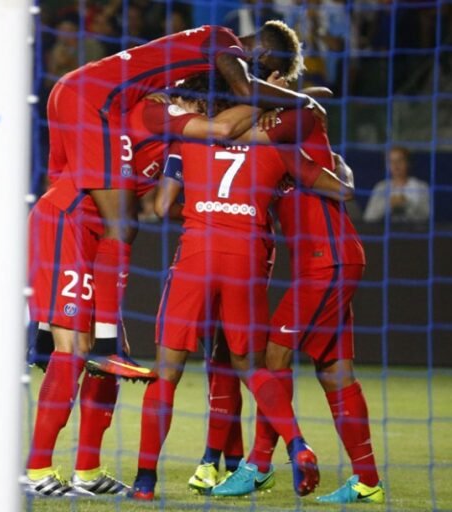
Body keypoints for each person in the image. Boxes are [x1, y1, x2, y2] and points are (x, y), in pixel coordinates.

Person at [23, 20, 320, 498]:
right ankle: (37, 473)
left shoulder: (182, 129)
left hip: (97, 241)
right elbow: (228, 123)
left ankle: (86, 472)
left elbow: (231, 127)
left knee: (105, 367)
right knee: (75, 350)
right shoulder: (157, 110)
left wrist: (288, 101)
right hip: (69, 222)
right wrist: (296, 98)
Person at [130, 110, 350, 501]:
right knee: (250, 366)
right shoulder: (276, 145)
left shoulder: (191, 136)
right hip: (247, 256)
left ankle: (145, 483)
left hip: (198, 252)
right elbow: (340, 189)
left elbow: (162, 206)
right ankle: (297, 443)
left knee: (167, 371)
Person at [197, 111, 385, 505]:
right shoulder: (263, 150)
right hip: (327, 263)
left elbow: (316, 109)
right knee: (335, 372)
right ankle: (367, 479)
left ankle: (259, 464)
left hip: (327, 261)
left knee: (272, 354)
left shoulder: (300, 126)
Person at [363, 146, 430, 223]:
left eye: (400, 160)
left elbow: (426, 217)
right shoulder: (381, 187)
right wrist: (388, 205)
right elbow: (369, 217)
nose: (395, 165)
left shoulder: (421, 187)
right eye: (391, 161)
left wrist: (406, 204)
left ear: (408, 163)